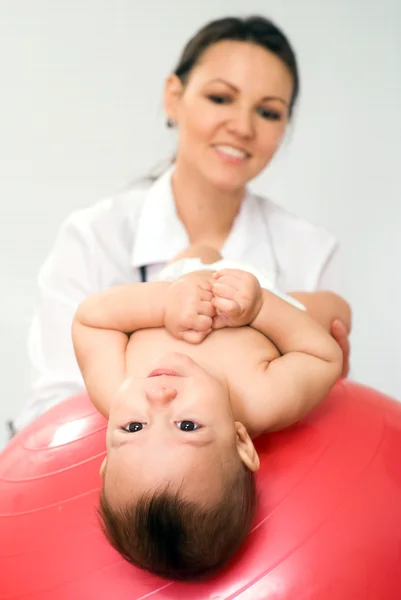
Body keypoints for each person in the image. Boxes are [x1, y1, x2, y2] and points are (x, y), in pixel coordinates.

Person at [14, 15, 351, 433]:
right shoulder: (94, 237)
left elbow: (324, 412)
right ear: (174, 97)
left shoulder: (312, 251)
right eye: (220, 98)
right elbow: (51, 418)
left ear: (284, 127)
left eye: (267, 112)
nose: (243, 127)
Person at [72, 244, 344, 580]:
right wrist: (261, 308)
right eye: (187, 425)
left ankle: (202, 252)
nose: (158, 397)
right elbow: (323, 358)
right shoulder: (259, 398)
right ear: (241, 441)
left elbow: (91, 321)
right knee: (335, 311)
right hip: (261, 301)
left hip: (180, 286)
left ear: (107, 457)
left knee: (199, 247)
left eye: (134, 427)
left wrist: (163, 304)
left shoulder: (112, 388)